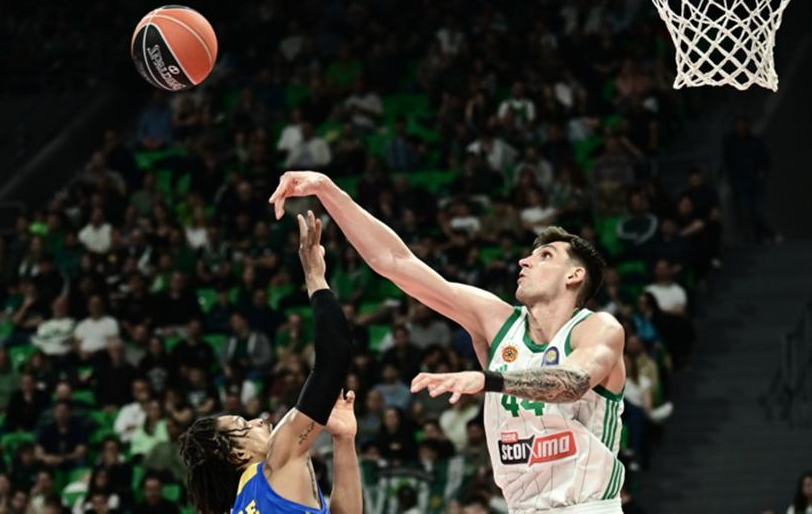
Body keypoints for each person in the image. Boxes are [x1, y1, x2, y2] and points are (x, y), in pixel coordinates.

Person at [270, 171, 626, 512]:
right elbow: (396, 262)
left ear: (574, 275)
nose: (524, 261)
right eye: (530, 254)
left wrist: (486, 380)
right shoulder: (498, 322)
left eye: (545, 256)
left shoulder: (597, 328)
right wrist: (328, 190)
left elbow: (573, 382)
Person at [179, 211, 362, 514]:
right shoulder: (277, 460)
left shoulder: (240, 507)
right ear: (234, 454)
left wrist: (344, 440)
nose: (259, 421)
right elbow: (335, 355)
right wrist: (315, 277)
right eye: (243, 425)